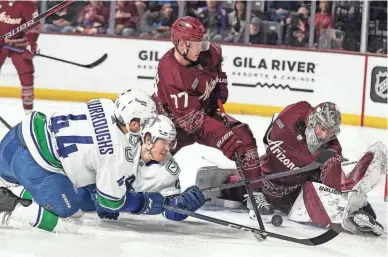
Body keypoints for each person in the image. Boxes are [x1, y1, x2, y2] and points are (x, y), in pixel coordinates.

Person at [0, 89, 171, 233]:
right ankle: (10, 207)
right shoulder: (116, 152)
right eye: (146, 123)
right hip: (32, 165)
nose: (146, 129)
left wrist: (96, 188)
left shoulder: (104, 103)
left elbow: (88, 153)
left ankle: (12, 190)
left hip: (15, 138)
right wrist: (143, 202)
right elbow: (111, 202)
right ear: (133, 124)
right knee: (71, 220)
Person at [152, 16, 269, 215]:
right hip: (172, 125)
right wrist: (223, 137)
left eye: (201, 41)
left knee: (243, 136)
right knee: (152, 163)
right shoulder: (171, 71)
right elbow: (191, 122)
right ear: (181, 44)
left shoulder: (208, 52)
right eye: (195, 43)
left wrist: (221, 85)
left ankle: (255, 193)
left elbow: (217, 65)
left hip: (203, 115)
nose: (201, 47)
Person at [248, 101, 387, 236]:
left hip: (291, 197)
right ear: (313, 120)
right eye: (323, 129)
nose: (325, 136)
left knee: (327, 180)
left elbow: (334, 176)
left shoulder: (331, 149)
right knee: (234, 185)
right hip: (263, 184)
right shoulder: (296, 112)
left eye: (330, 132)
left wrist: (351, 190)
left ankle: (353, 199)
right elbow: (268, 137)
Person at [78, 115, 206, 221]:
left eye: (171, 143)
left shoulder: (169, 171)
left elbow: (169, 209)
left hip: (111, 202)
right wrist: (99, 192)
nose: (168, 149)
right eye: (164, 142)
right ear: (148, 139)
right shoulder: (120, 144)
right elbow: (90, 164)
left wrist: (183, 206)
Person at [0, 1, 40, 114]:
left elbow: (34, 27)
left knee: (26, 75)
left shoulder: (27, 5)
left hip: (19, 45)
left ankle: (28, 112)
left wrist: (32, 44)